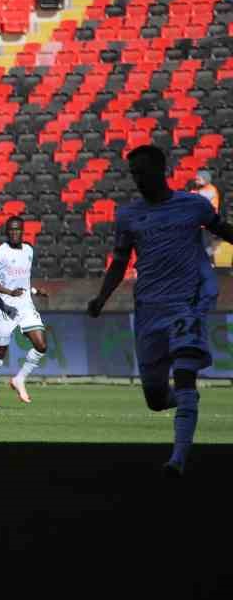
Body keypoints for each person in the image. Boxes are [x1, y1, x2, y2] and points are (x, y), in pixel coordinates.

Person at [87, 145, 233, 475]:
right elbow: (120, 261)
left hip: (186, 305)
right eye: (134, 173)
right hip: (149, 310)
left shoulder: (193, 206)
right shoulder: (128, 215)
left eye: (143, 171)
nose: (138, 179)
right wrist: (101, 298)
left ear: (161, 169)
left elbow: (223, 230)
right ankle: (184, 402)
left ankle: (177, 459)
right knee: (155, 397)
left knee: (184, 375)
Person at [0, 216, 47, 411]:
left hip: (25, 307)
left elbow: (22, 281)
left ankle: (19, 379)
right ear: (6, 232)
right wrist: (9, 293)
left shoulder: (29, 250)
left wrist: (34, 291)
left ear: (23, 231)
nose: (14, 233)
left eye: (17, 230)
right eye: (10, 230)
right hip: (5, 309)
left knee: (41, 345)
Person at [194, 171, 221, 260]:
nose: (196, 181)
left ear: (205, 180)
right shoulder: (201, 190)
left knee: (206, 244)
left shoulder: (210, 190)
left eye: (198, 179)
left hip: (207, 223)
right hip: (202, 223)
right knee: (203, 244)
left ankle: (209, 262)